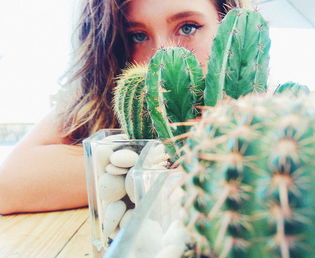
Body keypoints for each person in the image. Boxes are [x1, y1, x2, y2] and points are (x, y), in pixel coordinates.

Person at [0, 0, 250, 214]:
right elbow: (9, 184)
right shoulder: (95, 101)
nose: (159, 56)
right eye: (138, 36)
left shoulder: (264, 110)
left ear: (229, 28)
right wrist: (171, 158)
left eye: (188, 28)